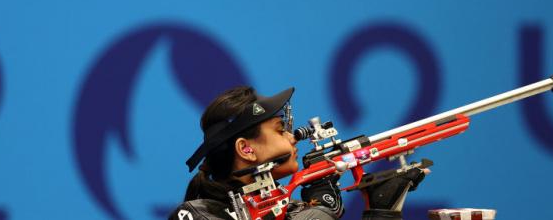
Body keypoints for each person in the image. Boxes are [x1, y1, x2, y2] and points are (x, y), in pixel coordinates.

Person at [169, 86, 428, 220]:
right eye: (280, 130)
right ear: (246, 149)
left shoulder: (289, 209)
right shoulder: (196, 215)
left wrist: (382, 210)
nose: (293, 138)